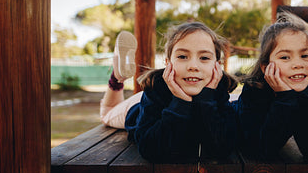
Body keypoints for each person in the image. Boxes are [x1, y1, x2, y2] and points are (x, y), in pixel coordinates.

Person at [100, 22, 238, 162]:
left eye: (204, 58)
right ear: (167, 62)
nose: (193, 66)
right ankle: (117, 78)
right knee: (107, 114)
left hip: (186, 89)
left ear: (217, 65)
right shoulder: (155, 88)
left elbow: (223, 148)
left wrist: (206, 99)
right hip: (137, 106)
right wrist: (181, 103)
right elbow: (150, 150)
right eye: (183, 56)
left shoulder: (218, 89)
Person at [234, 11, 308, 161]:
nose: (298, 64)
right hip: (234, 118)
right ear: (265, 67)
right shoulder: (255, 91)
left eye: (305, 55)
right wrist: (285, 97)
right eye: (285, 57)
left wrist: (307, 97)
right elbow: (259, 150)